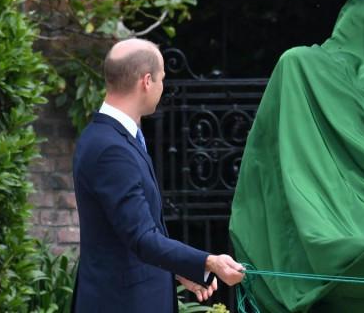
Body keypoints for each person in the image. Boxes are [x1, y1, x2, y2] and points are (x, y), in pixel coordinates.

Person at [71, 38, 245, 312]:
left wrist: (178, 269)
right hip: (123, 304)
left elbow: (123, 234)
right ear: (147, 81)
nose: (163, 87)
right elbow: (142, 237)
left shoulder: (109, 137)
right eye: (163, 78)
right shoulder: (111, 148)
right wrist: (208, 261)